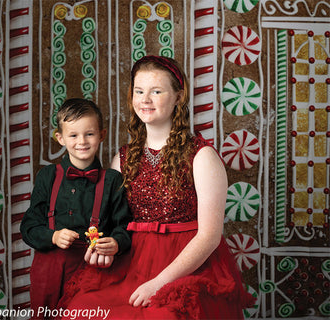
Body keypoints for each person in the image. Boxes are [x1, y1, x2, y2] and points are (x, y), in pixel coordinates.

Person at [60, 56, 256, 319]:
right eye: (139, 91)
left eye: (156, 91)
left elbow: (210, 236)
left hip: (185, 267)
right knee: (81, 310)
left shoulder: (202, 156)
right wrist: (105, 246)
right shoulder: (123, 158)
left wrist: (158, 283)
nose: (145, 99)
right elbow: (112, 221)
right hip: (132, 264)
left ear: (178, 96)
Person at [20, 98, 132, 319]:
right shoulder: (48, 176)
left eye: (89, 134)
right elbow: (29, 227)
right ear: (60, 138)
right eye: (73, 135)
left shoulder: (112, 180)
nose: (82, 141)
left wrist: (116, 243)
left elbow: (125, 227)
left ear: (102, 134)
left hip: (92, 269)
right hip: (48, 270)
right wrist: (53, 237)